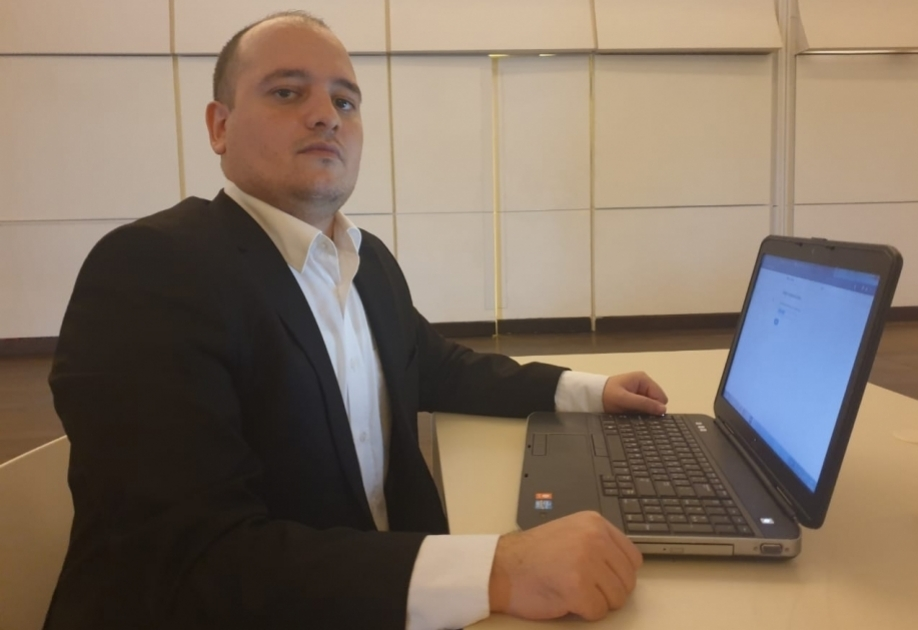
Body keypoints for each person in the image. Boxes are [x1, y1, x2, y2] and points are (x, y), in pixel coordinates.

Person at [45, 11, 669, 630]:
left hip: (373, 591)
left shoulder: (365, 262)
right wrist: (496, 569)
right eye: (287, 92)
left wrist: (586, 391)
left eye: (345, 101)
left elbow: (434, 366)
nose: (326, 115)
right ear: (219, 126)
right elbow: (190, 564)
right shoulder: (152, 271)